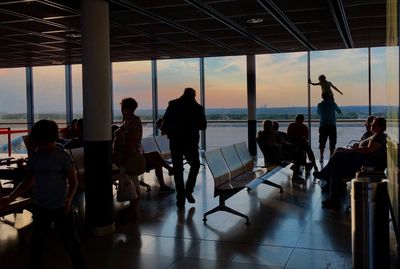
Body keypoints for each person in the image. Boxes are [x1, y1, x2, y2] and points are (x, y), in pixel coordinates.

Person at [0, 119, 84, 269]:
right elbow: (28, 182)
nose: (37, 145)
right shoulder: (36, 157)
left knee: (70, 242)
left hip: (61, 207)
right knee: (37, 244)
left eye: (39, 142)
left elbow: (73, 182)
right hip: (42, 206)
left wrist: (69, 199)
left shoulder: (62, 156)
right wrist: (10, 198)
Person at [314, 117, 387, 209]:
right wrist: (354, 149)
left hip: (363, 164)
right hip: (360, 160)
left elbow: (369, 150)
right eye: (372, 123)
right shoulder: (376, 135)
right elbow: (368, 150)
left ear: (381, 127)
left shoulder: (379, 136)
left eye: (374, 124)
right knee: (338, 158)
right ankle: (332, 194)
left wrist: (352, 150)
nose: (371, 125)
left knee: (338, 156)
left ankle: (326, 176)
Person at [162, 88, 207, 208]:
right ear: (194, 96)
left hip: (175, 142)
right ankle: (188, 191)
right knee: (195, 165)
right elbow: (203, 126)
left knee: (178, 170)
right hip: (191, 143)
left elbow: (165, 122)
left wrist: (171, 132)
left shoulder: (173, 104)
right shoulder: (198, 108)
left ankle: (180, 199)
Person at [113, 98, 144, 219]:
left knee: (133, 183)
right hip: (131, 155)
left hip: (130, 156)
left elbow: (131, 141)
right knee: (132, 182)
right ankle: (132, 209)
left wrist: (124, 157)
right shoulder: (130, 121)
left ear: (125, 108)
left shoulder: (132, 121)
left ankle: (133, 211)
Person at [317, 91, 342, 161]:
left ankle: (321, 157)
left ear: (322, 97)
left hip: (323, 126)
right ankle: (331, 157)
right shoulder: (333, 104)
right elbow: (339, 111)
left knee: (322, 142)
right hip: (332, 126)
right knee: (332, 142)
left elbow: (319, 113)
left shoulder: (319, 105)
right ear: (329, 97)